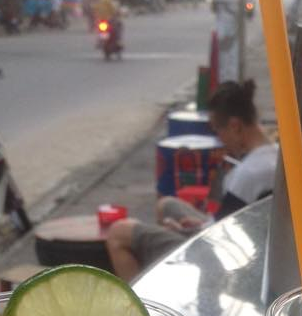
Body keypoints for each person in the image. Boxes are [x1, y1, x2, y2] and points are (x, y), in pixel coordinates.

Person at [106, 79, 279, 281]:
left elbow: (219, 237)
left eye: (218, 130)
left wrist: (187, 232)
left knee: (119, 233)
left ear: (235, 126)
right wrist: (195, 226)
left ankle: (142, 297)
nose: (220, 139)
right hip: (232, 237)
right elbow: (224, 221)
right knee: (166, 204)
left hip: (218, 260)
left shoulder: (249, 173)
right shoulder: (273, 156)